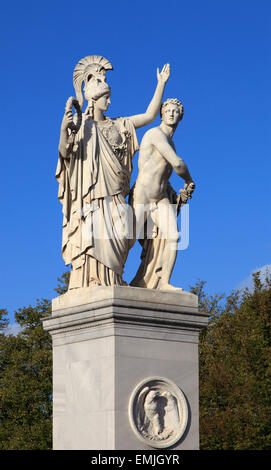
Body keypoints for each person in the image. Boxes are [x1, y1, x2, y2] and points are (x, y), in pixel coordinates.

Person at [56, 55, 170, 289]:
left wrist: (161, 84)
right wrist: (64, 128)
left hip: (117, 194)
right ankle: (93, 280)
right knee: (95, 240)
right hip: (93, 196)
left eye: (109, 98)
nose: (109, 102)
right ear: (94, 99)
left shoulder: (121, 124)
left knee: (120, 237)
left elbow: (149, 116)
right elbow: (65, 152)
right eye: (105, 98)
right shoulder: (83, 127)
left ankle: (114, 279)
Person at [129, 98, 195, 290]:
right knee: (129, 239)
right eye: (168, 111)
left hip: (160, 198)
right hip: (142, 195)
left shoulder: (170, 142)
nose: (172, 114)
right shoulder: (155, 134)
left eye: (175, 111)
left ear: (180, 116)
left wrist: (176, 194)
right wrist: (189, 180)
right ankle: (114, 276)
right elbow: (177, 164)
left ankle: (163, 282)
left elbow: (163, 176)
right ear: (162, 114)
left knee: (173, 236)